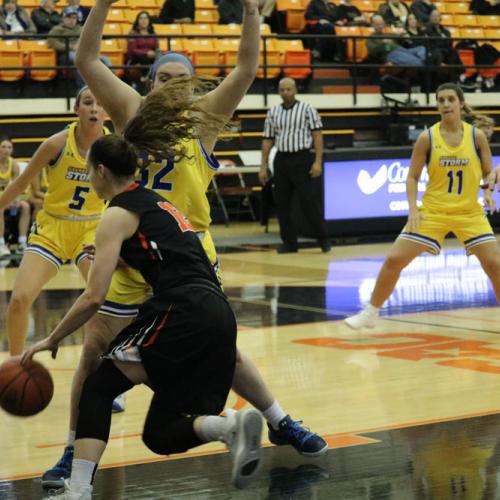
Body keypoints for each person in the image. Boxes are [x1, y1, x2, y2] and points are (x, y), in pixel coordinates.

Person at [41, 0, 328, 489]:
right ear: (149, 82)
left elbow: (245, 68)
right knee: (94, 351)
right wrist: (104, 5)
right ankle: (74, 450)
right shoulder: (129, 110)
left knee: (226, 351)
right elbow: (87, 60)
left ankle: (279, 420)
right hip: (132, 254)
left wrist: (254, 14)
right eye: (162, 77)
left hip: (187, 256)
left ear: (193, 84)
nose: (171, 84)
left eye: (181, 77)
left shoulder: (207, 118)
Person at [21, 108, 264, 497]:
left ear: (101, 172)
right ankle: (228, 427)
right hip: (217, 314)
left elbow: (93, 297)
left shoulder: (116, 213)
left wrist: (52, 339)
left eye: (89, 170)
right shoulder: (156, 204)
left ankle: (78, 489)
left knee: (98, 387)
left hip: (181, 310)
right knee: (160, 434)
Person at [345, 83, 500, 330]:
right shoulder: (427, 137)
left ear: (460, 103)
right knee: (394, 259)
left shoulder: (476, 136)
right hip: (433, 212)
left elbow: (487, 173)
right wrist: (413, 209)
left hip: (468, 212)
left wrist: (489, 191)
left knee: (495, 265)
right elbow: (412, 177)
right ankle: (371, 312)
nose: (446, 104)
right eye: (441, 100)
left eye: (450, 99)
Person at [0, 87, 108, 356]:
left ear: (107, 111)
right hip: (52, 228)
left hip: (92, 229)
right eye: (87, 102)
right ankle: (16, 366)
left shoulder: (112, 147)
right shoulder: (56, 144)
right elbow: (21, 183)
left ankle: (105, 374)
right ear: (76, 109)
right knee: (20, 299)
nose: (94, 108)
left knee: (106, 303)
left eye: (99, 103)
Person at [259, 78, 331, 254]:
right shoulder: (273, 112)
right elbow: (267, 140)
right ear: (278, 91)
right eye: (282, 89)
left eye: (288, 89)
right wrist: (263, 166)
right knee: (282, 204)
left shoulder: (307, 109)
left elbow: (317, 136)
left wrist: (317, 161)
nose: (285, 92)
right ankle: (290, 243)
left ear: (295, 90)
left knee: (308, 201)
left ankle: (323, 239)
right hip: (281, 160)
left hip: (302, 158)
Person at [0, 137, 30, 257]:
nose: (6, 150)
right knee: (0, 208)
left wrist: (15, 199)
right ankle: (1, 243)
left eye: (9, 147)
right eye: (3, 147)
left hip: (7, 195)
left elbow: (16, 186)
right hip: (2, 197)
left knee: (26, 206)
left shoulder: (14, 165)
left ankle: (22, 242)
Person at [125, 11, 158, 85]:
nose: (144, 20)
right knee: (144, 58)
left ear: (149, 21)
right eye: (141, 18)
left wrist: (154, 54)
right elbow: (132, 51)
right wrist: (146, 53)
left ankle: (147, 77)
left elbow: (156, 49)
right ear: (137, 21)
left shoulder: (153, 34)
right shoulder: (133, 33)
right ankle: (146, 77)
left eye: (146, 18)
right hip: (136, 59)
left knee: (158, 58)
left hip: (151, 59)